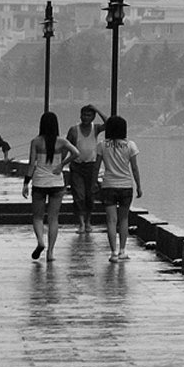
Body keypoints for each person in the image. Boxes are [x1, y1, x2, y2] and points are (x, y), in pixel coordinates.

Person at [23, 111, 71, 261]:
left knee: (37, 217)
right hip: (57, 183)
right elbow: (76, 152)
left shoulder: (36, 142)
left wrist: (26, 183)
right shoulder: (61, 141)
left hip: (39, 183)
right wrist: (62, 165)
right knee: (53, 218)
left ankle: (40, 242)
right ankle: (50, 253)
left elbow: (31, 164)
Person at [96, 114, 143, 263]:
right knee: (123, 219)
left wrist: (94, 183)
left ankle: (113, 253)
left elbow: (96, 167)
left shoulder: (102, 145)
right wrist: (139, 186)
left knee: (111, 220)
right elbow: (135, 168)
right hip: (125, 187)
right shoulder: (130, 145)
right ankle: (123, 251)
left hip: (108, 185)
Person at [65, 105, 103, 235]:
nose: (85, 118)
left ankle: (88, 222)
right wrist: (60, 164)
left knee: (90, 195)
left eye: (89, 115)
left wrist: (97, 109)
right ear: (80, 115)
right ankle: (81, 223)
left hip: (91, 167)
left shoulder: (95, 128)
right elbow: (67, 147)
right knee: (79, 195)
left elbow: (109, 123)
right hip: (77, 166)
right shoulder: (74, 130)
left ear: (93, 117)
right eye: (84, 115)